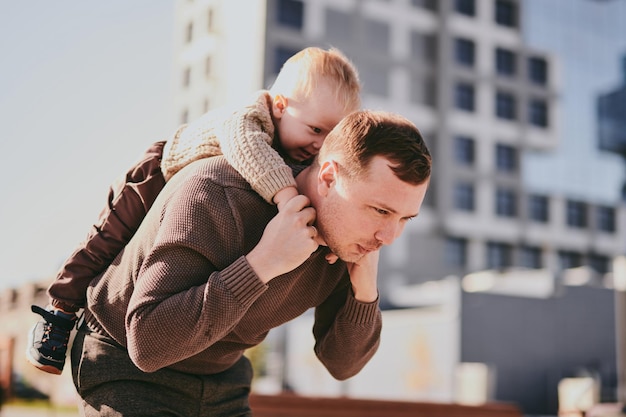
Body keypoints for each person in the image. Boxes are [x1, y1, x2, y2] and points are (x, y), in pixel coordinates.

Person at [71, 109, 432, 416]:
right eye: (380, 210)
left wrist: (365, 292)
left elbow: (343, 364)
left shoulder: (347, 245)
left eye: (404, 219)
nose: (389, 237)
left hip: (223, 381)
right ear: (328, 178)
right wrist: (263, 264)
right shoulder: (214, 193)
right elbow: (148, 344)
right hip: (126, 368)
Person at [26, 46, 361, 375]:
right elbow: (250, 152)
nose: (321, 144)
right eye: (316, 129)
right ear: (279, 106)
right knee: (106, 240)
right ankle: (59, 312)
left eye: (332, 134)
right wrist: (291, 201)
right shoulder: (248, 117)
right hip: (157, 173)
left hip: (187, 204)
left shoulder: (300, 152)